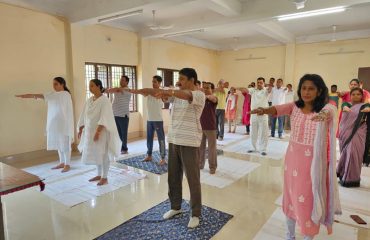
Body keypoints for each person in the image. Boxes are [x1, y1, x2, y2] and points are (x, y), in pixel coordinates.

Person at [251, 74, 341, 240]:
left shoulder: (325, 108)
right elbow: (278, 109)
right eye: (304, 88)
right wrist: (264, 110)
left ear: (319, 91)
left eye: (311, 88)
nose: (306, 92)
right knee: (291, 197)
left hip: (312, 165)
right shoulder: (295, 106)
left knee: (308, 199)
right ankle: (289, 235)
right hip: (292, 161)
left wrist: (324, 114)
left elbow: (332, 109)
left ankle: (308, 235)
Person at [129, 68, 205, 228]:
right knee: (173, 177)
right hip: (174, 140)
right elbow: (156, 91)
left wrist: (171, 90)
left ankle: (195, 213)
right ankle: (175, 207)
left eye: (183, 79)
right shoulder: (177, 95)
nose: (180, 81)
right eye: (179, 79)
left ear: (192, 81)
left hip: (190, 142)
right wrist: (139, 91)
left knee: (193, 180)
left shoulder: (198, 95)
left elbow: (185, 95)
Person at [15, 77, 74, 173]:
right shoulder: (53, 94)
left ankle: (67, 164)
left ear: (62, 84)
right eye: (53, 84)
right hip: (55, 123)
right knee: (59, 143)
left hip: (64, 123)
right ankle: (62, 162)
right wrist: (28, 96)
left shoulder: (65, 94)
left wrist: (31, 95)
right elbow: (42, 96)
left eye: (56, 84)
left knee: (65, 144)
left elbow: (43, 96)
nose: (54, 86)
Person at [77, 79, 121, 186]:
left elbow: (105, 116)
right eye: (89, 86)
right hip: (90, 131)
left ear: (98, 86)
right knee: (96, 153)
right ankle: (98, 174)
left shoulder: (104, 100)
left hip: (101, 132)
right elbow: (84, 114)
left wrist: (98, 131)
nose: (90, 88)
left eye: (92, 86)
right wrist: (81, 127)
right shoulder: (89, 100)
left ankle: (104, 177)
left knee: (103, 153)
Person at [337, 88, 370, 187]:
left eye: (358, 94)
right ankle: (343, 175)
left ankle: (352, 179)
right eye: (353, 94)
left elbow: (368, 106)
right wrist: (344, 107)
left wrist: (369, 108)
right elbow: (344, 106)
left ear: (362, 96)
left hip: (358, 133)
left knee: (353, 154)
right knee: (346, 153)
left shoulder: (364, 105)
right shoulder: (346, 104)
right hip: (346, 133)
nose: (356, 96)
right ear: (350, 95)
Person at [240, 77, 270, 156]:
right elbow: (245, 90)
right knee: (253, 131)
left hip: (263, 114)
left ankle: (263, 149)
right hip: (253, 114)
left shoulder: (266, 90)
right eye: (258, 82)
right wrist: (237, 88)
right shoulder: (253, 90)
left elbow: (270, 89)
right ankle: (253, 147)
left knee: (263, 132)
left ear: (263, 83)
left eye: (261, 82)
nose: (259, 84)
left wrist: (268, 85)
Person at [141, 75, 166, 165]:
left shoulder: (161, 92)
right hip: (149, 119)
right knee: (149, 139)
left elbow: (164, 99)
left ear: (159, 83)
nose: (153, 83)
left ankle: (163, 158)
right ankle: (149, 155)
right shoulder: (148, 92)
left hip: (158, 120)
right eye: (152, 81)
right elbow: (142, 92)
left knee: (161, 139)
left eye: (155, 82)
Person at [105, 75, 131, 154]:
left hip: (123, 115)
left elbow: (114, 89)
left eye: (123, 80)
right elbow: (111, 90)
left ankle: (124, 148)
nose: (121, 81)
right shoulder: (118, 89)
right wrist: (106, 90)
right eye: (120, 80)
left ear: (127, 82)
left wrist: (108, 90)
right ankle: (119, 147)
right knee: (118, 132)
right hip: (115, 114)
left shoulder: (127, 90)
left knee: (123, 133)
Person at [199, 82, 218, 174]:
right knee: (200, 147)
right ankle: (200, 164)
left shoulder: (214, 98)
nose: (205, 90)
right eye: (204, 88)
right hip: (200, 126)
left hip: (211, 127)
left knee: (211, 149)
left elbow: (213, 99)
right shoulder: (201, 98)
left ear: (212, 90)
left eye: (208, 88)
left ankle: (212, 167)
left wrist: (204, 96)